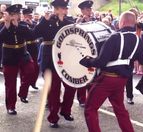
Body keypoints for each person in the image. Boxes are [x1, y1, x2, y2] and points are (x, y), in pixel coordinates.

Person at [79, 11, 143, 132]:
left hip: (107, 79)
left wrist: (87, 61)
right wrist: (141, 84)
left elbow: (101, 62)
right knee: (120, 110)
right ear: (133, 23)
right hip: (122, 81)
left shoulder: (114, 37)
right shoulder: (137, 40)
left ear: (122, 22)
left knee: (90, 108)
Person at [34, 0, 76, 128]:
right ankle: (53, 117)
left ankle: (65, 110)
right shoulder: (47, 22)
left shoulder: (69, 23)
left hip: (66, 60)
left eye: (65, 8)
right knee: (54, 92)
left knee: (71, 87)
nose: (66, 11)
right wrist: (43, 20)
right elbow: (35, 34)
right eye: (63, 8)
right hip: (51, 60)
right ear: (56, 9)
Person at [0, 4, 34, 115]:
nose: (17, 16)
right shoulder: (2, 25)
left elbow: (30, 36)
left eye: (18, 13)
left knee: (30, 71)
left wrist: (17, 26)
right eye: (14, 14)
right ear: (9, 15)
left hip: (23, 54)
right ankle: (11, 106)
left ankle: (23, 93)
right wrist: (7, 26)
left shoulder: (23, 24)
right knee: (10, 83)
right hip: (9, 56)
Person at [75, 0, 95, 107]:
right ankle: (82, 99)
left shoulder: (95, 20)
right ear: (82, 11)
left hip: (91, 52)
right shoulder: (79, 21)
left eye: (90, 9)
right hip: (81, 52)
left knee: (91, 76)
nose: (89, 11)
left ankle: (91, 97)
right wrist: (84, 22)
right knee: (82, 76)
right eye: (87, 9)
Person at [20, 8, 40, 90]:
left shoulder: (34, 23)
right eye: (28, 15)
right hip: (26, 47)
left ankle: (33, 82)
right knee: (25, 69)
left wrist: (32, 24)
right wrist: (26, 24)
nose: (30, 17)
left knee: (36, 67)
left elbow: (37, 33)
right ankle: (23, 84)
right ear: (24, 15)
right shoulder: (21, 24)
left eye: (31, 15)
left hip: (34, 46)